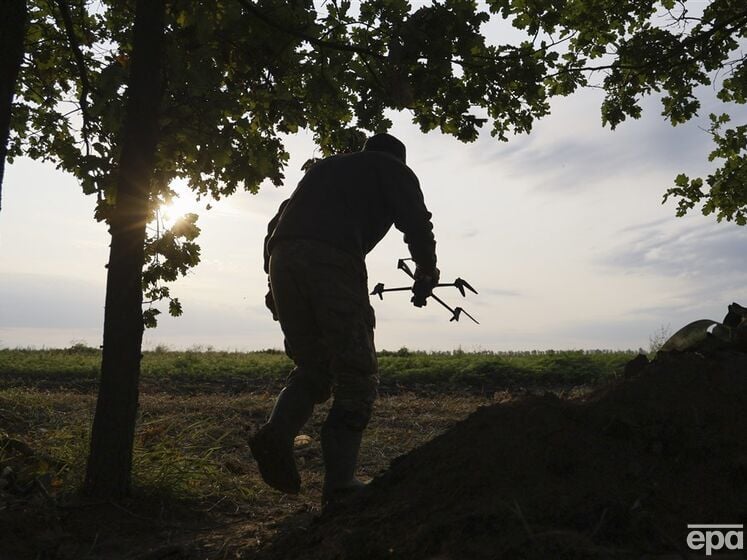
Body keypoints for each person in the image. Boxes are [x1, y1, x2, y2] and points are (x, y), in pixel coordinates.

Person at [249, 132, 439, 507]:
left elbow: (276, 225)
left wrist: (275, 285)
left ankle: (278, 433)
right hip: (332, 260)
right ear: (397, 158)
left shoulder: (322, 171)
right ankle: (340, 485)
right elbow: (417, 222)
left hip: (282, 262)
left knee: (313, 367)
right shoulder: (391, 168)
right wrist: (427, 269)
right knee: (357, 374)